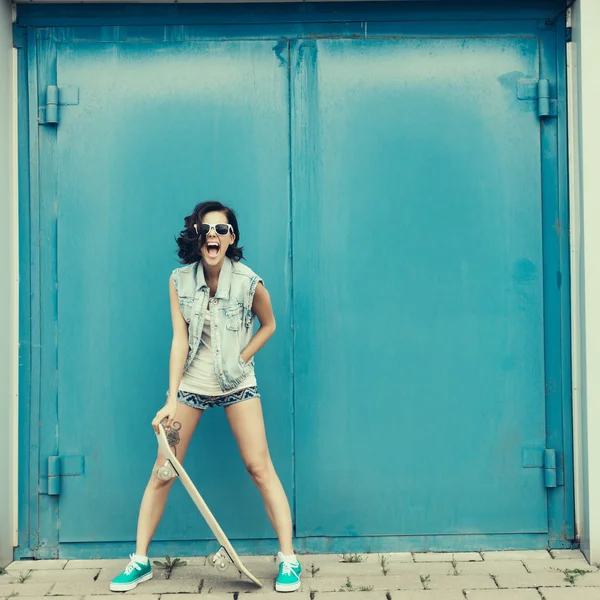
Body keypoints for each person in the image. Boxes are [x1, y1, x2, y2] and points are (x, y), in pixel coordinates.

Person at [110, 201, 301, 593]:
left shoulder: (249, 282)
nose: (213, 235)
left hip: (237, 383)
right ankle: (140, 561)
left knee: (259, 467)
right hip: (192, 385)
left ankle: (289, 559)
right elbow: (180, 341)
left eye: (222, 229)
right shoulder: (178, 281)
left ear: (232, 238)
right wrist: (171, 397)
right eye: (205, 229)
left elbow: (270, 324)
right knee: (164, 470)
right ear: (196, 237)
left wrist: (242, 357)